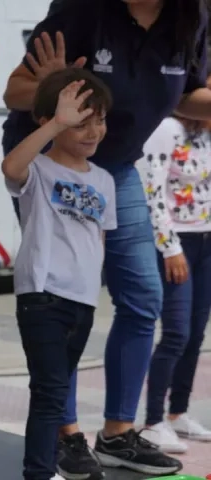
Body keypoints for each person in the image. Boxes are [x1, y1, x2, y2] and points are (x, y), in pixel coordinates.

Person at [2, 0, 211, 475]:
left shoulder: (188, 19)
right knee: (61, 298)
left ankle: (117, 433)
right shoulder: (82, 11)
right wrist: (51, 91)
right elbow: (16, 90)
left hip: (115, 168)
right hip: (54, 165)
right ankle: (64, 433)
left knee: (143, 297)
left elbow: (185, 95)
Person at [2, 69, 116, 480]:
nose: (92, 132)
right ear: (50, 120)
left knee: (56, 388)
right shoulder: (40, 170)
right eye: (80, 122)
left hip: (81, 301)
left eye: (98, 120)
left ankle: (46, 467)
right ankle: (39, 472)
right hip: (42, 296)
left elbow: (97, 239)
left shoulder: (104, 179)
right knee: (49, 392)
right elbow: (11, 166)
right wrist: (56, 123)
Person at [137, 113, 211, 453]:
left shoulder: (206, 131)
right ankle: (153, 420)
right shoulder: (166, 128)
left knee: (196, 333)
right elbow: (153, 190)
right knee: (177, 333)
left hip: (206, 240)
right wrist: (169, 248)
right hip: (176, 243)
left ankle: (178, 411)